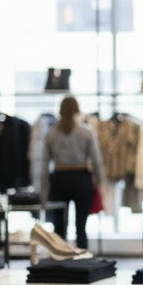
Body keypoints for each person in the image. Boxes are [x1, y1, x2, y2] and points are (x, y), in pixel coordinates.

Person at [42, 95, 104, 249]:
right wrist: (100, 182)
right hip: (81, 179)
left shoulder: (51, 133)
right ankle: (83, 261)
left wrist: (44, 188)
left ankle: (60, 259)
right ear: (77, 110)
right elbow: (96, 160)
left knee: (59, 226)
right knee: (81, 226)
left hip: (59, 179)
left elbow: (44, 164)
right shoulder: (86, 132)